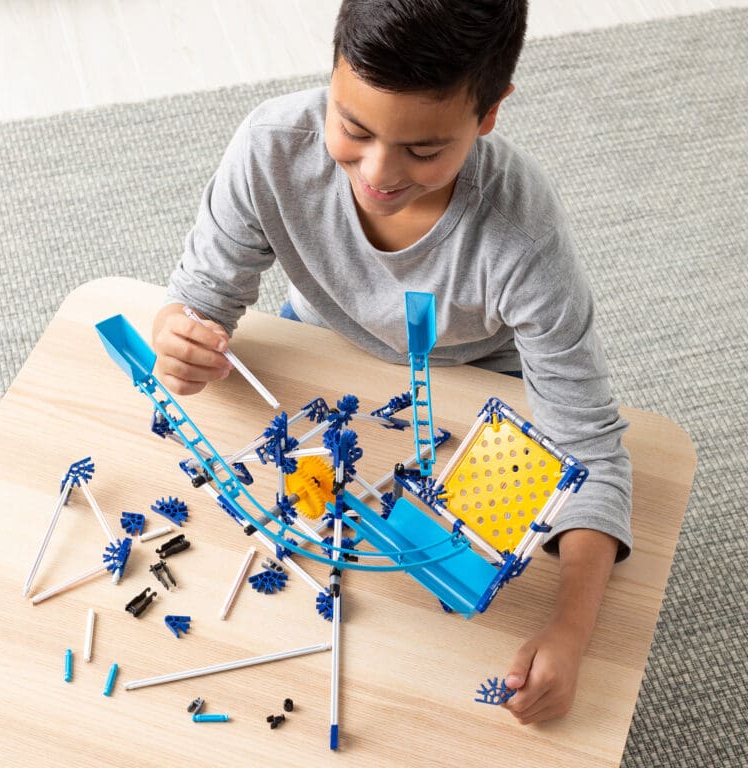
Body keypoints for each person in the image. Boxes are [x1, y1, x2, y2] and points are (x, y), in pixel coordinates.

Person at [152, 0, 631, 725]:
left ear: (490, 113)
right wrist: (179, 336)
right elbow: (197, 300)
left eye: (425, 150)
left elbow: (589, 444)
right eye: (353, 127)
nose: (377, 172)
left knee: (434, 638)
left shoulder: (521, 234)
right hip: (317, 359)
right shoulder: (271, 145)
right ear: (333, 75)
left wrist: (571, 631)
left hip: (478, 392)